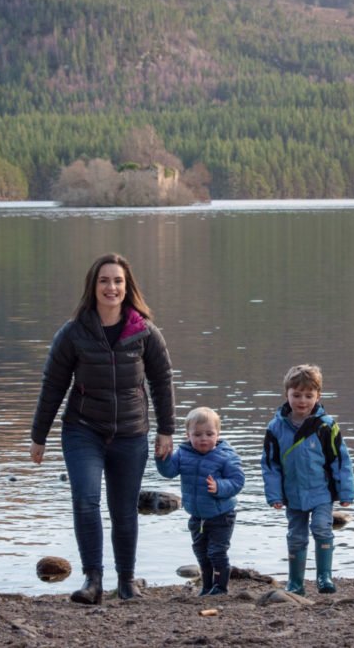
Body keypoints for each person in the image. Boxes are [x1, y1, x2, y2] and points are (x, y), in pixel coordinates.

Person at [28, 253, 176, 604]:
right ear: (93, 287)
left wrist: (166, 430)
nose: (111, 287)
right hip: (83, 430)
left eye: (118, 281)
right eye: (104, 281)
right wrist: (39, 436)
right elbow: (53, 385)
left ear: (128, 287)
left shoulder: (144, 332)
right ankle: (92, 581)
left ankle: (127, 581)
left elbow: (162, 380)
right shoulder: (74, 332)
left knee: (124, 508)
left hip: (131, 432)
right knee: (86, 499)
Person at [261, 364, 354, 595]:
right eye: (296, 395)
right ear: (287, 395)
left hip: (321, 491)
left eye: (308, 396)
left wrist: (345, 492)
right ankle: (295, 582)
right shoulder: (275, 428)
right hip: (292, 493)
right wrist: (274, 495)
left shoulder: (326, 426)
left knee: (322, 528)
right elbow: (270, 465)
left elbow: (340, 460)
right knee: (296, 534)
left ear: (318, 396)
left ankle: (324, 577)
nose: (302, 401)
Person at [156, 407, 245, 596]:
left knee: (217, 552)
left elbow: (237, 481)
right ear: (188, 435)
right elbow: (169, 472)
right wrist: (162, 458)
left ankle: (220, 587)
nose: (203, 438)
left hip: (222, 515)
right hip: (197, 516)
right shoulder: (183, 453)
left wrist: (219, 487)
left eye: (209, 434)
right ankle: (206, 587)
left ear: (218, 434)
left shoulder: (226, 455)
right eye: (197, 434)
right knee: (201, 553)